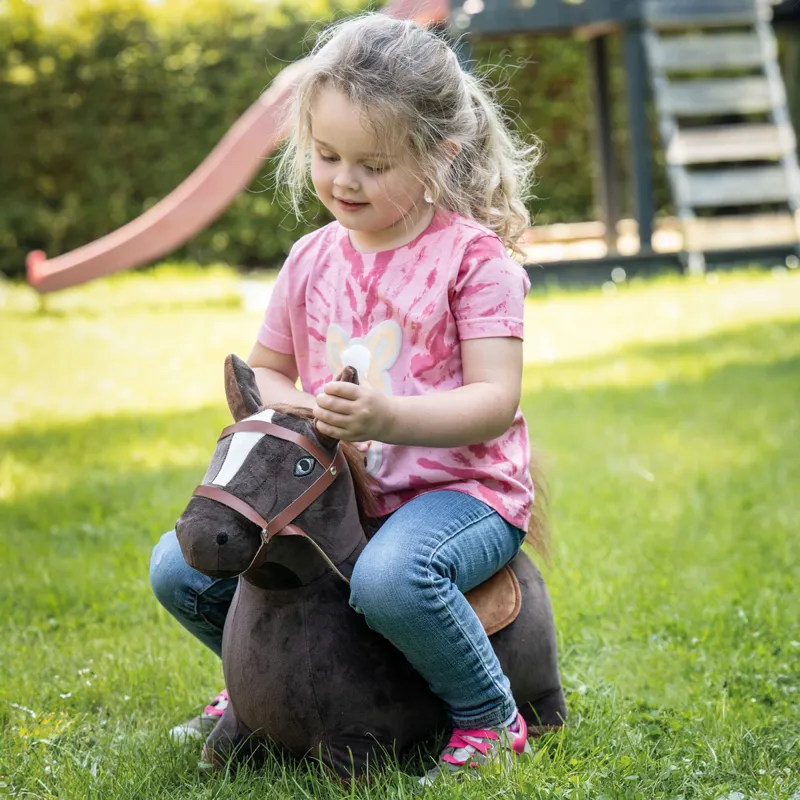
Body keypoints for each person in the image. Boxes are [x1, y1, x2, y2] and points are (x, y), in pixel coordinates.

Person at [150, 12, 547, 783]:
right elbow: (264, 373)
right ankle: (252, 686)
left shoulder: (474, 261)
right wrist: (302, 409)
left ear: (440, 155)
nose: (342, 180)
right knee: (179, 566)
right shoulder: (311, 259)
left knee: (392, 578)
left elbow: (495, 400)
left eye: (373, 163)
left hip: (462, 493)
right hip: (335, 494)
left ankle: (489, 716)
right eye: (326, 155)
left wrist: (385, 417)